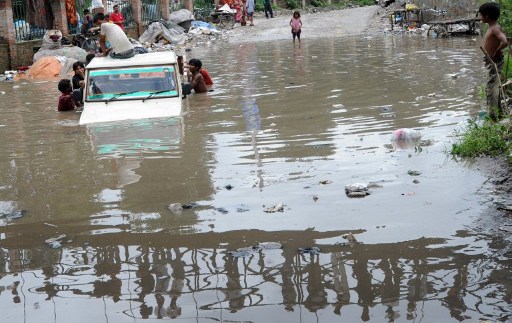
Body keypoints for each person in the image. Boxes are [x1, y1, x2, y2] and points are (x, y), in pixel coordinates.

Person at [479, 2, 509, 119]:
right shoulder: (492, 27)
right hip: (491, 61)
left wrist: (497, 51)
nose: (480, 17)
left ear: (487, 16)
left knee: (491, 87)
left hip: (494, 62)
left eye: (481, 15)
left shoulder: (495, 28)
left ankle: (493, 115)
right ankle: (498, 113)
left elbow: (505, 41)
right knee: (493, 86)